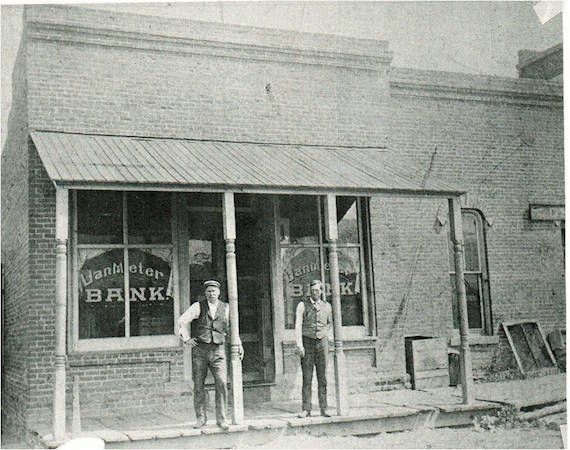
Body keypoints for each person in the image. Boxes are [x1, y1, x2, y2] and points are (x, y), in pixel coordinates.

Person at [177, 280, 243, 430]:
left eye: (214, 291)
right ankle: (200, 418)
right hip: (200, 350)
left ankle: (222, 419)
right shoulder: (198, 306)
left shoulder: (226, 307)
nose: (211, 293)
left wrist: (238, 343)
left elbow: (233, 327)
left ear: (219, 293)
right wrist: (186, 339)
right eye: (209, 291)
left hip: (218, 351)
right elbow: (182, 321)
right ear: (205, 293)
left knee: (221, 383)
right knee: (199, 384)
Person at [295, 279, 333, 418]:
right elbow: (298, 325)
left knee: (322, 377)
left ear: (321, 291)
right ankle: (306, 409)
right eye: (312, 290)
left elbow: (330, 324)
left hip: (322, 343)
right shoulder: (302, 305)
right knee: (307, 377)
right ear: (309, 291)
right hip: (307, 342)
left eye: (317, 290)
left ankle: (324, 408)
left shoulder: (327, 306)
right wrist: (299, 344)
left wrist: (326, 336)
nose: (315, 292)